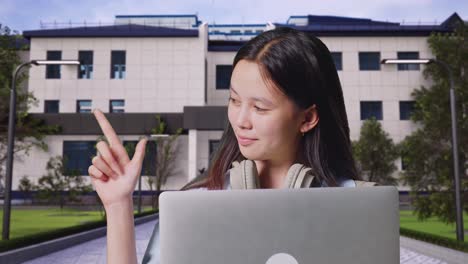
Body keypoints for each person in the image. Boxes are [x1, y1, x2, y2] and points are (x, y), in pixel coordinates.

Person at [88, 27, 375, 264]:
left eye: (260, 108)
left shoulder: (358, 207)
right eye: (235, 100)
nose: (240, 120)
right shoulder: (196, 204)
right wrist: (117, 205)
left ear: (308, 117)